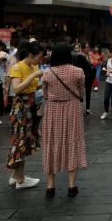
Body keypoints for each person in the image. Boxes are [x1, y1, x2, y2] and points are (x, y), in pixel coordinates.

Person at [40, 43, 87, 198]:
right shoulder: (78, 72)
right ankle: (71, 186)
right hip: (72, 110)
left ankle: (50, 186)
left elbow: (45, 95)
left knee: (51, 143)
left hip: (53, 111)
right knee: (72, 142)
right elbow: (81, 93)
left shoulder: (47, 73)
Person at [7, 41, 44, 190]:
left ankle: (15, 175)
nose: (40, 61)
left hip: (31, 105)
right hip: (20, 107)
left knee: (24, 141)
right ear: (30, 55)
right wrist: (34, 76)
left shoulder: (33, 66)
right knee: (20, 141)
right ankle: (20, 180)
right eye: (39, 57)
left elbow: (34, 86)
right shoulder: (18, 67)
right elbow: (16, 89)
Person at [72, 48, 95, 115]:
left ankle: (80, 108)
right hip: (87, 77)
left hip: (85, 77)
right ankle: (87, 109)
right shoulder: (82, 57)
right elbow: (91, 67)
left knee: (79, 93)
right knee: (87, 93)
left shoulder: (76, 58)